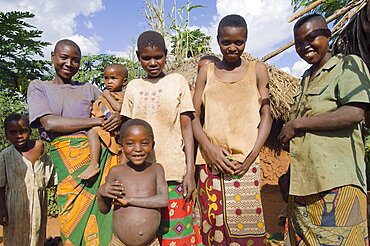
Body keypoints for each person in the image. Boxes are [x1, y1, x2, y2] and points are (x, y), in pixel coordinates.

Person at [278, 14, 370, 244]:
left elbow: (354, 112)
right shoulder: (305, 79)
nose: (304, 46)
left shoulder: (347, 65)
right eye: (299, 43)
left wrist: (297, 124)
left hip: (336, 186)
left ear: (327, 36)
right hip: (303, 190)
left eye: (311, 37)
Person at [27, 39, 122, 245]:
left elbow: (107, 110)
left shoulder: (89, 89)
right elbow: (49, 123)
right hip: (67, 162)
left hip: (99, 156)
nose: (69, 63)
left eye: (76, 60)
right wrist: (96, 121)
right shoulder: (39, 87)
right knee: (70, 214)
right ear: (53, 57)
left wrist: (116, 117)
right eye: (64, 57)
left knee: (102, 212)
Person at [192, 14, 272, 245]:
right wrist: (210, 148)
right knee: (213, 232)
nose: (233, 47)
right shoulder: (206, 71)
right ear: (218, 40)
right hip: (211, 164)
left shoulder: (257, 70)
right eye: (226, 42)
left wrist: (251, 156)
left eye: (239, 42)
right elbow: (194, 116)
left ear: (246, 40)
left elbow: (265, 116)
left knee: (247, 233)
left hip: (244, 164)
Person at [120, 30, 202, 245]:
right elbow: (126, 132)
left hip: (173, 172)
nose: (153, 62)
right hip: (139, 177)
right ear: (138, 57)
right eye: (146, 58)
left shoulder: (178, 81)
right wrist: (121, 172)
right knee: (143, 233)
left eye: (158, 57)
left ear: (166, 55)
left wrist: (190, 171)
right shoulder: (133, 87)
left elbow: (187, 129)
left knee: (176, 235)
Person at [97, 119, 168, 246]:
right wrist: (101, 193)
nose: (138, 149)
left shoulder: (156, 169)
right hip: (119, 243)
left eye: (145, 143)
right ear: (121, 145)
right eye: (130, 144)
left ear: (153, 145)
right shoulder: (116, 172)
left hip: (151, 243)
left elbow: (163, 200)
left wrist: (129, 200)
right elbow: (104, 209)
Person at [0, 113, 55, 246]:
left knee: (37, 235)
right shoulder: (5, 156)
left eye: (23, 131)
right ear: (6, 134)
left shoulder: (39, 148)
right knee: (16, 238)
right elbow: (0, 185)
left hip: (38, 203)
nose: (18, 136)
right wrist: (1, 209)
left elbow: (49, 177)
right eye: (12, 132)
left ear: (30, 130)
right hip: (15, 205)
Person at [79, 63, 128, 180]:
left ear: (124, 81)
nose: (109, 81)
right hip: (103, 126)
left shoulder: (124, 95)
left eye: (113, 78)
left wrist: (108, 96)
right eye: (106, 78)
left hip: (119, 129)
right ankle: (94, 163)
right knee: (92, 132)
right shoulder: (102, 96)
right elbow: (98, 108)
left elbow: (119, 108)